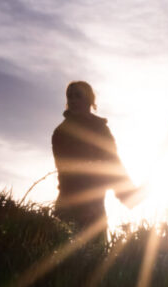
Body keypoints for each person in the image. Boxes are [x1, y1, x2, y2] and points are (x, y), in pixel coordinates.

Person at [51, 81, 134, 230]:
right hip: (70, 203)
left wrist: (128, 195)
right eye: (70, 97)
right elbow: (67, 170)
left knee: (97, 251)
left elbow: (114, 163)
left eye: (78, 96)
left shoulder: (102, 130)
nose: (73, 100)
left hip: (96, 207)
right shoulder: (61, 132)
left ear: (89, 99)